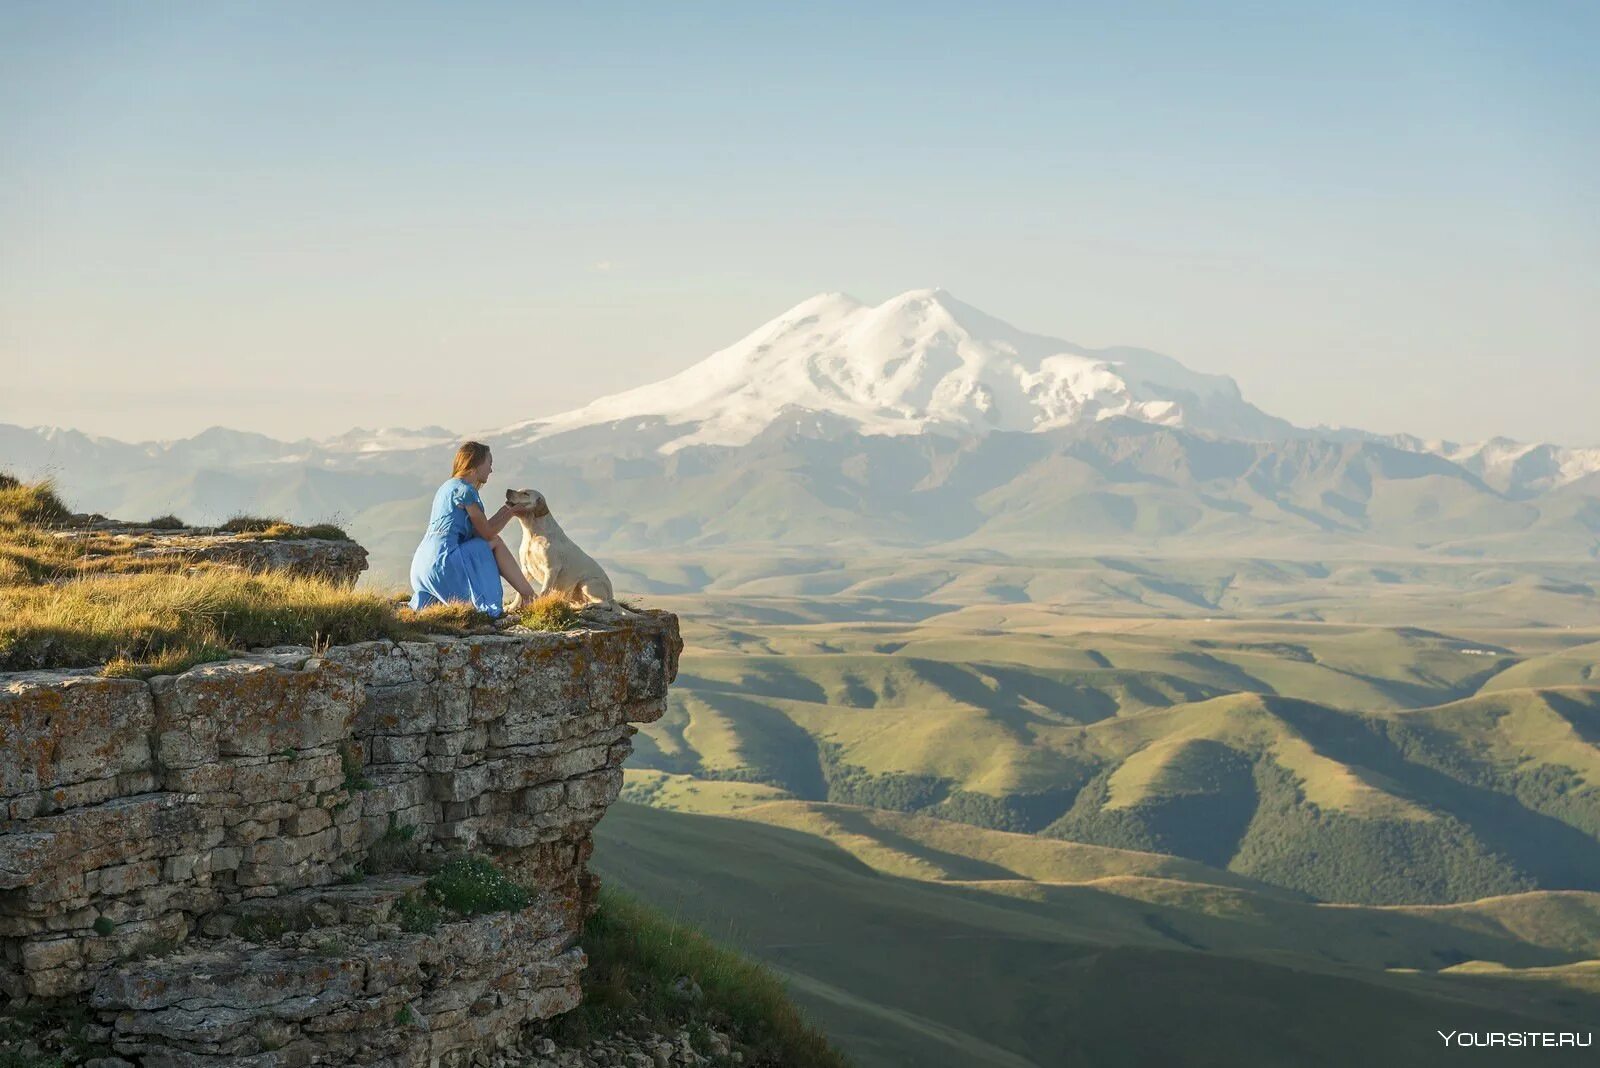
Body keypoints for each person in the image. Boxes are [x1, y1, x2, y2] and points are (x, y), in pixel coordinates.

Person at [409, 441, 538, 616]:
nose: (491, 470)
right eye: (489, 463)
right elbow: (486, 534)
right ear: (476, 463)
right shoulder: (466, 491)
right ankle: (529, 596)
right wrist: (511, 513)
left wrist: (507, 510)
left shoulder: (447, 487)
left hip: (422, 566)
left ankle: (527, 596)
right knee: (495, 542)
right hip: (444, 562)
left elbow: (477, 532)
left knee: (487, 543)